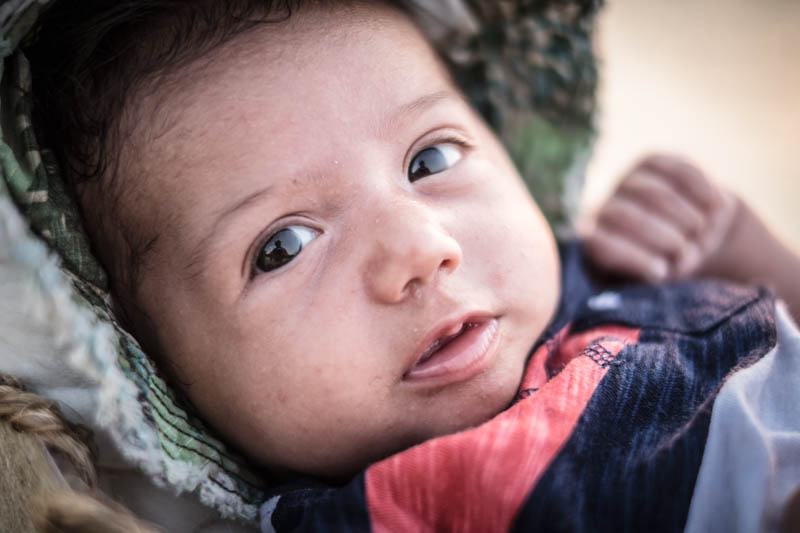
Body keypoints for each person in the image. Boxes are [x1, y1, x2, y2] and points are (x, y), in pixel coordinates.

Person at [6, 0, 799, 531]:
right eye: (282, 246)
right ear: (159, 379)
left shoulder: (624, 278)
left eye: (432, 158)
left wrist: (744, 253)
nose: (420, 250)